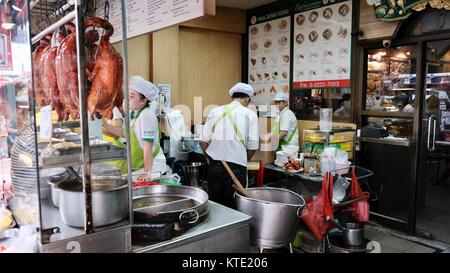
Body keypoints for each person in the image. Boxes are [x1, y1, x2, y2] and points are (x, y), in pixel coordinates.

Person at [199, 83, 259, 208]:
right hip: (237, 169)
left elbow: (202, 142)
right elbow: (252, 147)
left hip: (215, 166)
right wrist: (242, 159)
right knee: (235, 206)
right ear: (247, 99)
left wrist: (210, 158)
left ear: (233, 97)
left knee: (215, 205)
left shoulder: (215, 111)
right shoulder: (251, 115)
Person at [103, 76, 166, 180]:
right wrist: (105, 125)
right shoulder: (134, 114)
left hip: (154, 166)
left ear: (143, 101)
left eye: (131, 97)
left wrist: (147, 172)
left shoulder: (146, 115)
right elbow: (125, 133)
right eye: (127, 95)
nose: (127, 99)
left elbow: (147, 148)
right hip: (143, 165)